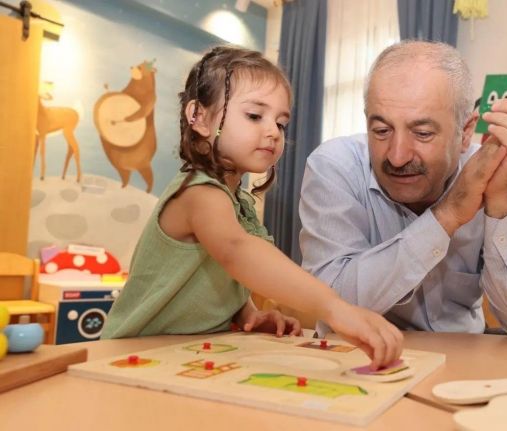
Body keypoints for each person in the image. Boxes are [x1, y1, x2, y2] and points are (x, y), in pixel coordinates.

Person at [102, 46, 403, 368]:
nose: (273, 132)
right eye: (255, 116)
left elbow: (212, 274)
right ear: (199, 117)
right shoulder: (198, 194)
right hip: (128, 355)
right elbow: (236, 252)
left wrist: (247, 313)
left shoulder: (238, 203)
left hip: (182, 356)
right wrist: (334, 307)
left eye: (281, 123)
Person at [300, 40, 507, 343]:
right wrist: (447, 215)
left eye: (422, 133)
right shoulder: (335, 167)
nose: (397, 156)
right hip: (362, 358)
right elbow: (329, 307)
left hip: (466, 357)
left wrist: (502, 201)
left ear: (465, 133)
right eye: (381, 131)